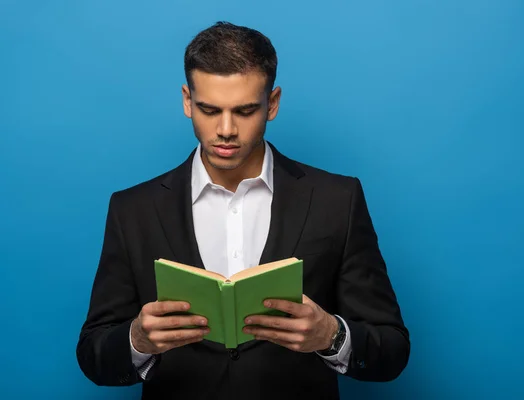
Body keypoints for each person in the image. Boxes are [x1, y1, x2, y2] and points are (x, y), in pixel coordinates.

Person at [76, 21, 410, 400]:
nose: (226, 130)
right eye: (208, 109)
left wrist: (331, 336)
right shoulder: (132, 209)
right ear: (187, 101)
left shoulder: (338, 199)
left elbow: (392, 350)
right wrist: (137, 338)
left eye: (246, 110)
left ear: (273, 103)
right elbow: (93, 354)